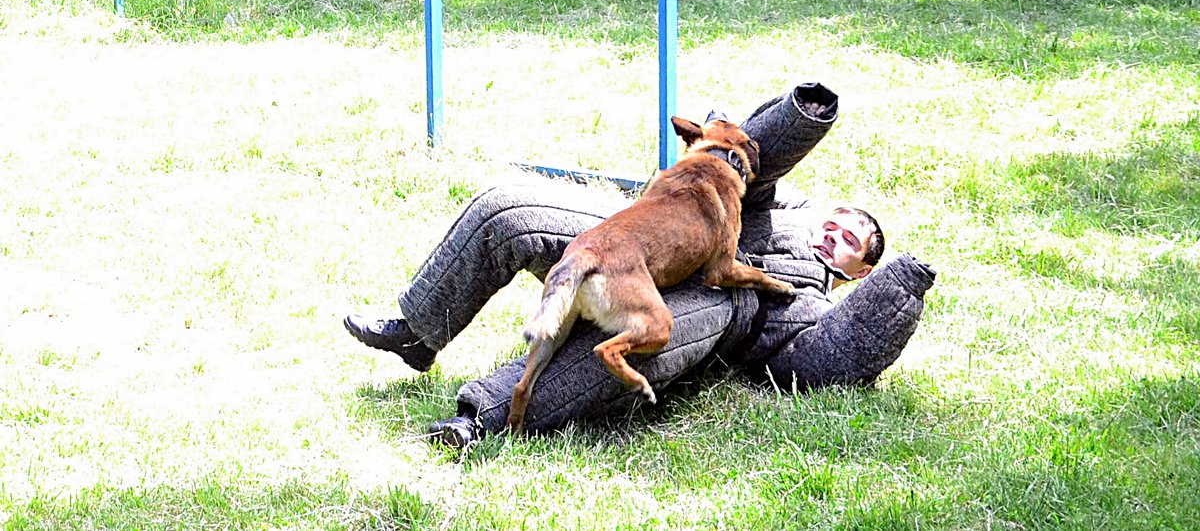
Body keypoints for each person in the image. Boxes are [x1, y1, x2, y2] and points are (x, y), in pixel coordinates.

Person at [344, 84, 937, 448]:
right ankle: (419, 330)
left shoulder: (817, 301)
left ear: (859, 272)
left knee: (639, 342)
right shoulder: (785, 206)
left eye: (852, 242)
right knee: (510, 209)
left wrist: (900, 287)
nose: (835, 235)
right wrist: (806, 114)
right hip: (647, 225)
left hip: (720, 305)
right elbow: (751, 150)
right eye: (841, 222)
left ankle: (482, 421)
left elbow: (822, 361)